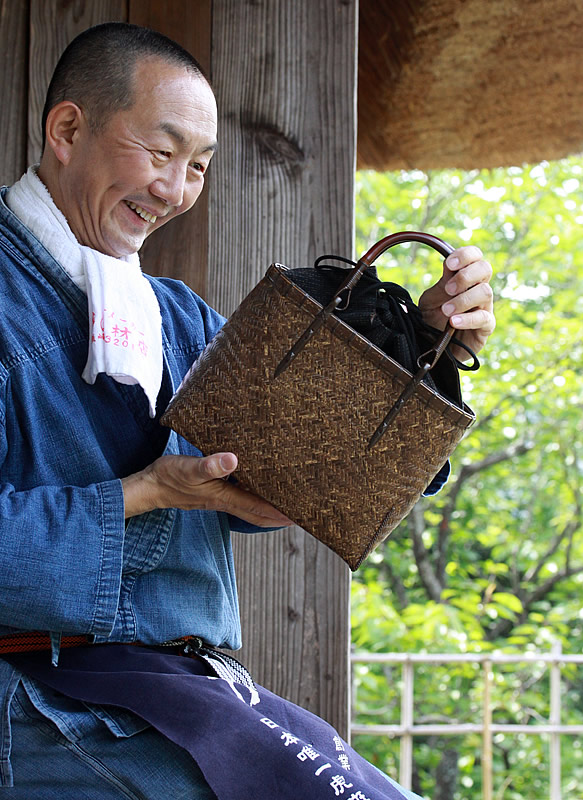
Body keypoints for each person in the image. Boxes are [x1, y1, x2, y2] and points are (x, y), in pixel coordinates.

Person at [0, 22, 495, 800]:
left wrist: (427, 342)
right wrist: (150, 493)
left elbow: (319, 466)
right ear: (68, 129)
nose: (176, 191)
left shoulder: (174, 317)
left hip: (188, 695)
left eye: (198, 167)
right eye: (160, 154)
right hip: (47, 697)